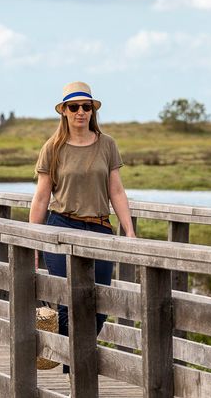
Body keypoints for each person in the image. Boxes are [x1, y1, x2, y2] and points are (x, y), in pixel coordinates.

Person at [29, 81, 135, 342]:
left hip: (100, 228)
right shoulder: (52, 148)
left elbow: (117, 191)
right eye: (74, 107)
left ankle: (75, 363)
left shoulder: (107, 144)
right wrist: (31, 240)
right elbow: (42, 197)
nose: (81, 112)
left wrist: (129, 231)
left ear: (92, 111)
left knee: (99, 305)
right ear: (64, 111)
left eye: (86, 106)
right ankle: (75, 370)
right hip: (60, 228)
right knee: (68, 302)